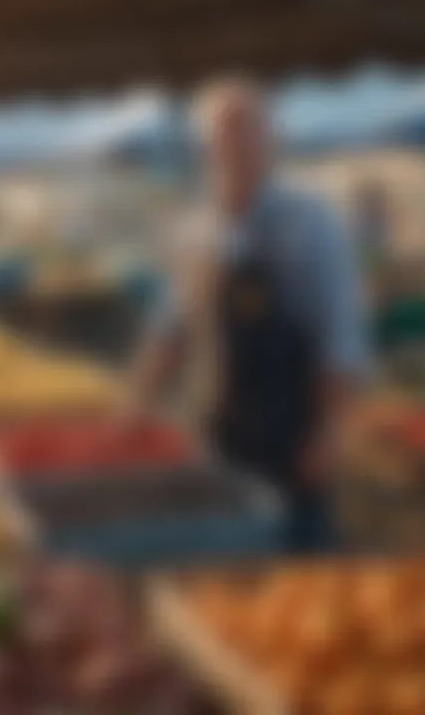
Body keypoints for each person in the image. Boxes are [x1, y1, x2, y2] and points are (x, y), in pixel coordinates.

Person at [124, 79, 369, 554]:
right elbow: (170, 328)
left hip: (292, 436)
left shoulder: (309, 223)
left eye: (250, 131)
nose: (238, 146)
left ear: (271, 140)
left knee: (299, 565)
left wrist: (328, 433)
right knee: (226, 559)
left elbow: (340, 337)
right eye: (225, 135)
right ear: (206, 147)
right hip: (217, 434)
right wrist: (138, 400)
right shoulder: (197, 229)